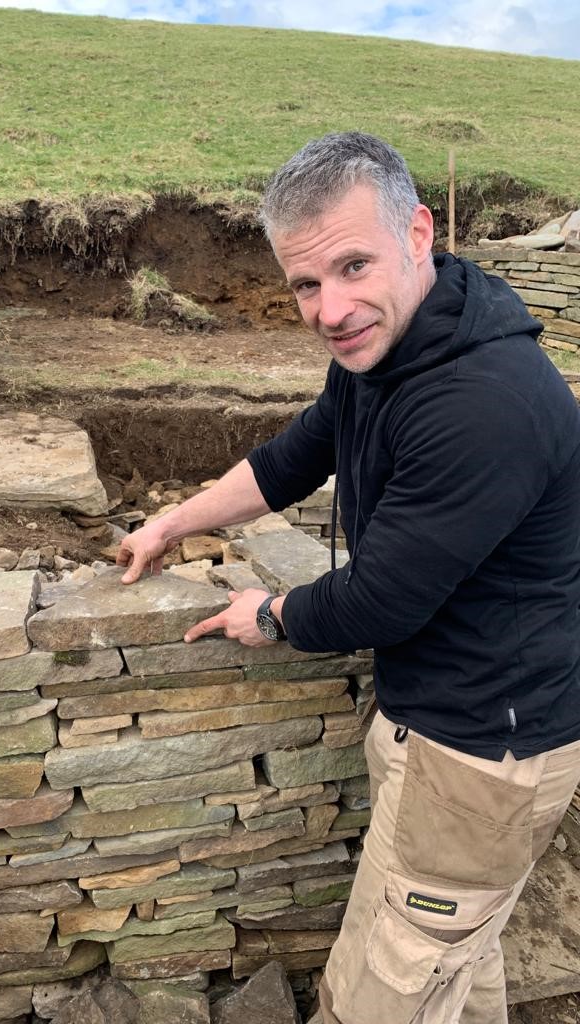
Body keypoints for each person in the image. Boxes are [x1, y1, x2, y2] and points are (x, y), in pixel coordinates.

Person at [116, 131, 580, 1024]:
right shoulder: (390, 348)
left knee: (391, 983)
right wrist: (173, 522)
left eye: (353, 266)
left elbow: (384, 595)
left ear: (418, 232)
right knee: (453, 955)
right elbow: (291, 460)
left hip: (484, 752)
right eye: (305, 285)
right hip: (446, 725)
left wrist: (273, 613)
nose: (331, 310)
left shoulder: (483, 399)